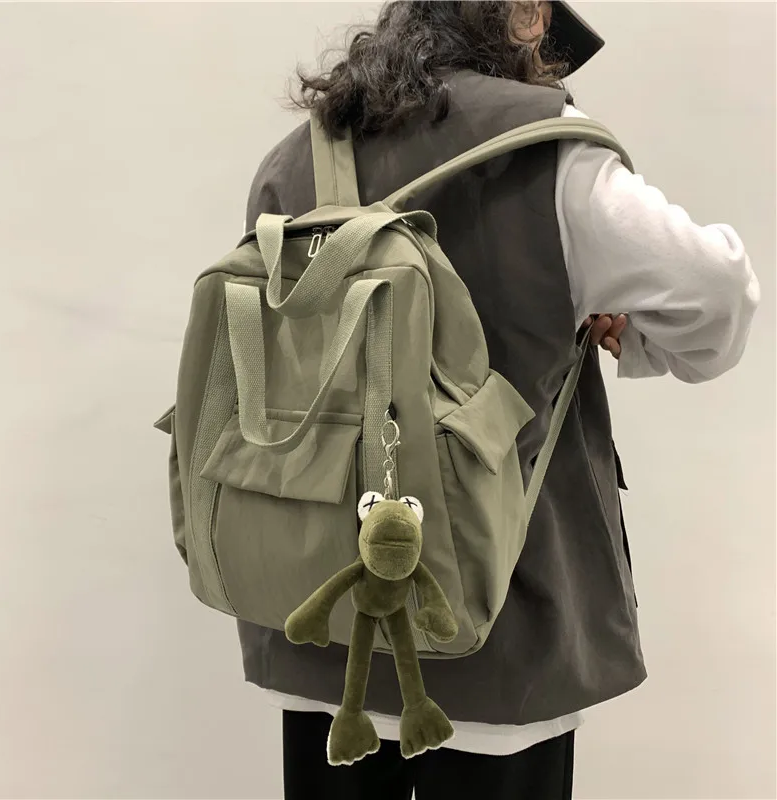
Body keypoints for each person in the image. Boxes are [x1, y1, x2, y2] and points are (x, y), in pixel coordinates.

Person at [237, 2, 760, 798]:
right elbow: (720, 297)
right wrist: (636, 336)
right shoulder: (550, 153)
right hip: (500, 639)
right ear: (523, 15)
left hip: (320, 636)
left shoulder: (299, 157)